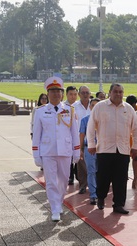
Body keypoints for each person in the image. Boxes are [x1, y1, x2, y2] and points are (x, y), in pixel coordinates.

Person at [87, 83, 137, 215]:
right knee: (103, 177)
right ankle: (101, 198)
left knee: (121, 179)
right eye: (115, 92)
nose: (118, 94)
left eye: (121, 92)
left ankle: (119, 204)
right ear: (109, 92)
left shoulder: (128, 109)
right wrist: (91, 145)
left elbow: (136, 129)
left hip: (122, 150)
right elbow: (91, 126)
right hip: (105, 149)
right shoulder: (100, 107)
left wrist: (135, 146)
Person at [32, 77, 81, 222]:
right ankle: (54, 208)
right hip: (48, 151)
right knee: (51, 181)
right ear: (47, 93)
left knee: (64, 180)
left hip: (65, 151)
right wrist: (36, 154)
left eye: (59, 91)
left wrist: (76, 151)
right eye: (53, 91)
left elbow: (74, 133)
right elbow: (37, 135)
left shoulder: (69, 110)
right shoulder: (41, 112)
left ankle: (59, 203)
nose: (56, 94)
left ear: (62, 94)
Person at [72, 86, 93, 194]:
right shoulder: (73, 107)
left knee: (93, 164)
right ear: (79, 94)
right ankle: (83, 185)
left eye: (87, 92)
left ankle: (93, 186)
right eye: (83, 92)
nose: (85, 94)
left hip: (94, 140)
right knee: (81, 164)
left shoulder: (95, 106)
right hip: (79, 139)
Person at [79, 98, 99, 205]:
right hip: (89, 149)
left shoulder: (104, 120)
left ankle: (100, 193)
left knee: (100, 172)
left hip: (102, 149)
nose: (95, 107)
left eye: (97, 105)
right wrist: (80, 149)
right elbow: (82, 135)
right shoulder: (85, 120)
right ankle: (93, 194)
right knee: (91, 171)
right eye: (93, 105)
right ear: (90, 107)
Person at [64, 86, 79, 186]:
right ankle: (70, 176)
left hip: (78, 136)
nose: (73, 97)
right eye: (71, 94)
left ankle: (78, 175)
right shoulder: (63, 108)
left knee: (77, 158)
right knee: (68, 158)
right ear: (66, 95)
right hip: (67, 138)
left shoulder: (79, 105)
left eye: (75, 94)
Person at [126, 95, 137, 190]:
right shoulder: (125, 109)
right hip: (126, 138)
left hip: (135, 138)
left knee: (136, 159)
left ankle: (136, 178)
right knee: (126, 160)